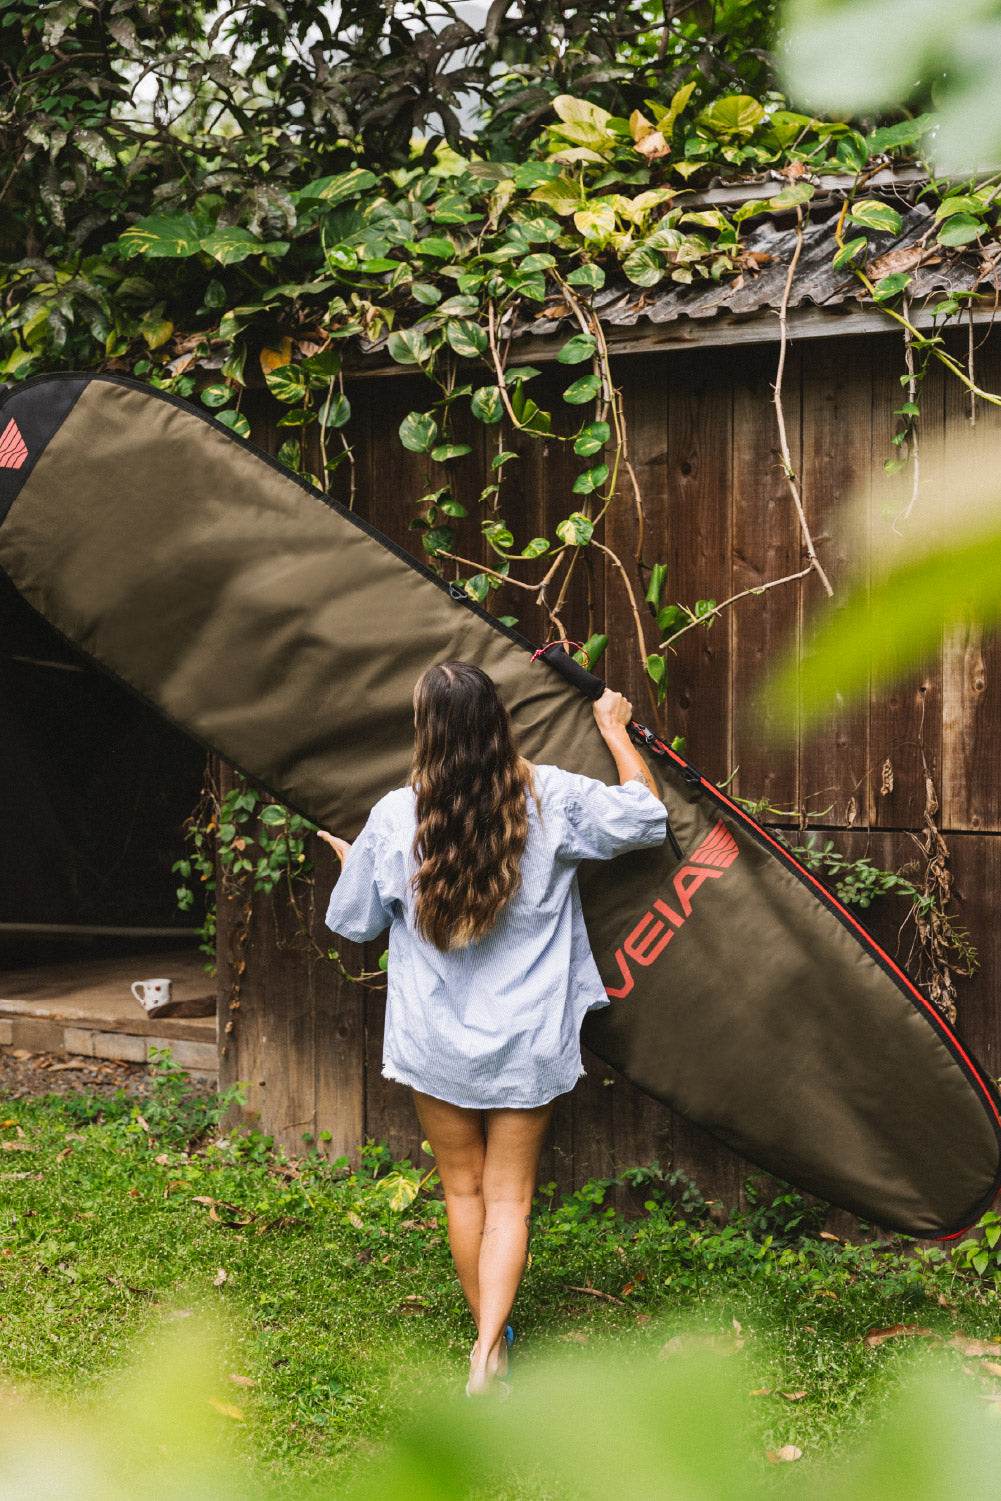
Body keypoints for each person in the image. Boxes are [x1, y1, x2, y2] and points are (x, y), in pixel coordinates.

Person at [318, 660, 666, 1396]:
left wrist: (355, 863)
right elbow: (646, 818)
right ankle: (485, 1352)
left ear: (425, 732)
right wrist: (613, 730)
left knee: (463, 1192)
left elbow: (354, 922)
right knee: (509, 1198)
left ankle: (489, 1348)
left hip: (434, 1041)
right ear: (499, 724)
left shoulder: (394, 817)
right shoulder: (550, 797)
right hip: (527, 1038)